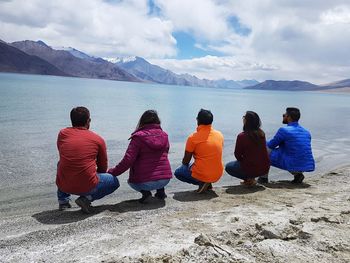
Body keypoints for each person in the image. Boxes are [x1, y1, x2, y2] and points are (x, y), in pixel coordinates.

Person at [56, 107, 119, 213]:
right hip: (86, 185)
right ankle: (86, 199)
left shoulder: (62, 134)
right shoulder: (98, 139)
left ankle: (63, 202)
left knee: (61, 163)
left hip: (64, 184)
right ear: (88, 121)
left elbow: (63, 153)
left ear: (71, 120)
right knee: (114, 181)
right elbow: (103, 167)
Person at [108, 110, 172, 203]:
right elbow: (166, 153)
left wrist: (113, 172)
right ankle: (160, 191)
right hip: (165, 180)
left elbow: (128, 160)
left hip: (145, 183)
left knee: (131, 182)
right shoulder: (164, 135)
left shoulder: (138, 137)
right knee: (158, 162)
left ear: (142, 121)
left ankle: (146, 194)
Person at [258, 107, 315, 184]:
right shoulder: (306, 132)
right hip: (306, 164)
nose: (283, 116)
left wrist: (260, 140)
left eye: (284, 115)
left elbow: (271, 145)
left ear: (289, 117)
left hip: (293, 162)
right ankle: (298, 174)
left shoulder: (284, 130)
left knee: (264, 150)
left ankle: (263, 178)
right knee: (291, 152)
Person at [174, 109, 224, 193]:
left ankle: (202, 182)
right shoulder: (219, 135)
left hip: (205, 173)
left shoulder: (193, 138)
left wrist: (186, 164)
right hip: (217, 173)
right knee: (204, 161)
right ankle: (208, 183)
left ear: (197, 120)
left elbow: (186, 161)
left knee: (179, 172)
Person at [225, 111, 270, 186]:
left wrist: (243, 161)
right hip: (264, 169)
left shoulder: (242, 136)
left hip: (252, 168)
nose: (243, 118)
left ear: (247, 121)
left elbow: (237, 155)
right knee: (250, 163)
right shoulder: (262, 134)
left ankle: (249, 179)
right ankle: (250, 179)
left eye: (244, 117)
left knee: (228, 167)